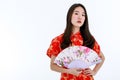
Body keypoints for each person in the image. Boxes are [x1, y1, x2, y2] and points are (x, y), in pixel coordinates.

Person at [46, 3, 105, 80]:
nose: (80, 17)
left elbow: (102, 57)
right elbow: (52, 66)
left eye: (83, 15)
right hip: (67, 78)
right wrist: (68, 71)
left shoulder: (89, 39)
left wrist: (94, 71)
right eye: (76, 13)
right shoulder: (58, 40)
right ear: (70, 16)